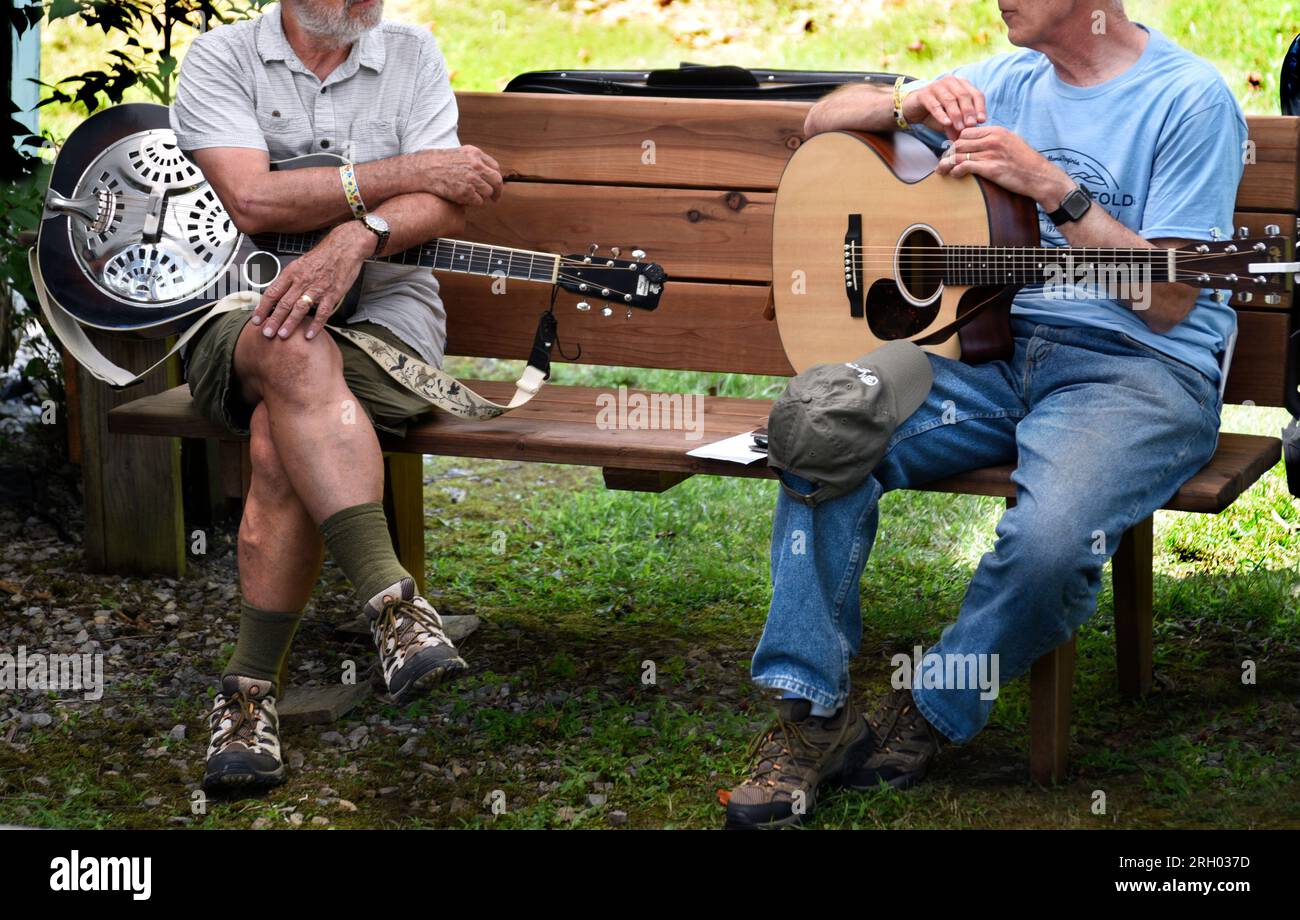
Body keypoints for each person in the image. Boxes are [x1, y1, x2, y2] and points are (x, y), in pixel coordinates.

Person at [725, 0, 1246, 829]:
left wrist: (1054, 188)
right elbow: (818, 123)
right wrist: (907, 104)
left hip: (1136, 373)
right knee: (821, 431)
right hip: (991, 353)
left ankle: (931, 709)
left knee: (1050, 542)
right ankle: (809, 715)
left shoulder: (1187, 99)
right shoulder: (1003, 81)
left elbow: (1171, 299)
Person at [169, 0, 505, 791]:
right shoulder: (221, 59)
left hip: (389, 315)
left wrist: (359, 236)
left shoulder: (411, 56)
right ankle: (395, 609)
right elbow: (252, 201)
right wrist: (407, 173)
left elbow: (450, 199)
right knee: (289, 340)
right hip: (242, 312)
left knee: (276, 432)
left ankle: (249, 698)